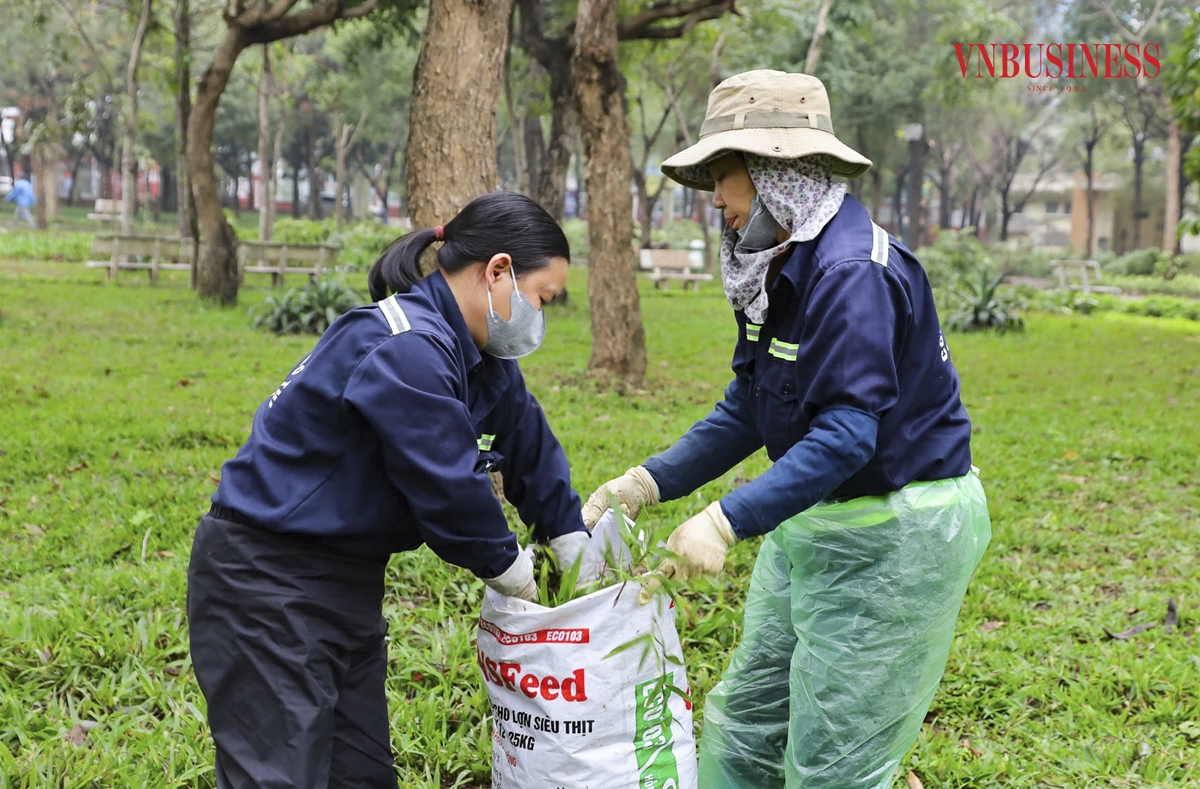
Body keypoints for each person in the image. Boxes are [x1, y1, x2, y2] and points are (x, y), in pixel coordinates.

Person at [582, 71, 991, 789]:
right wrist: (648, 482)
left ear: (775, 172)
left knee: (834, 760)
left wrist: (726, 519)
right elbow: (752, 403)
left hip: (892, 537)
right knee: (747, 719)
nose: (717, 200)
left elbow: (846, 434)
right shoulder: (778, 261)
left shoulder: (849, 273)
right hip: (815, 521)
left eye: (724, 177)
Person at [187, 192, 593, 788]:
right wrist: (514, 573)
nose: (539, 316)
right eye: (542, 298)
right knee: (278, 774)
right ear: (498, 271)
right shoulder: (405, 346)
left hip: (347, 585)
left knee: (362, 775)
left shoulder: (479, 360)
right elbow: (447, 483)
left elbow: (531, 447)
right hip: (264, 583)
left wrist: (572, 538)